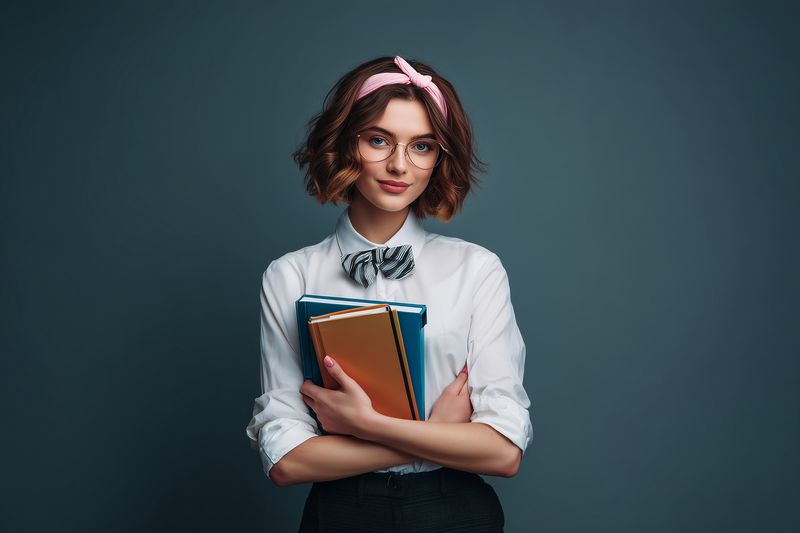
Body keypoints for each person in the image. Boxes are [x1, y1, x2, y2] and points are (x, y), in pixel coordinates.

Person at [245, 55, 533, 532]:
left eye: (422, 146)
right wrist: (437, 434)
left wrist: (367, 425)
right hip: (342, 514)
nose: (400, 164)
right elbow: (287, 461)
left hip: (453, 511)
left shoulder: (476, 269)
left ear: (439, 158)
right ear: (345, 143)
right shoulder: (290, 275)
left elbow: (503, 452)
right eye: (379, 140)